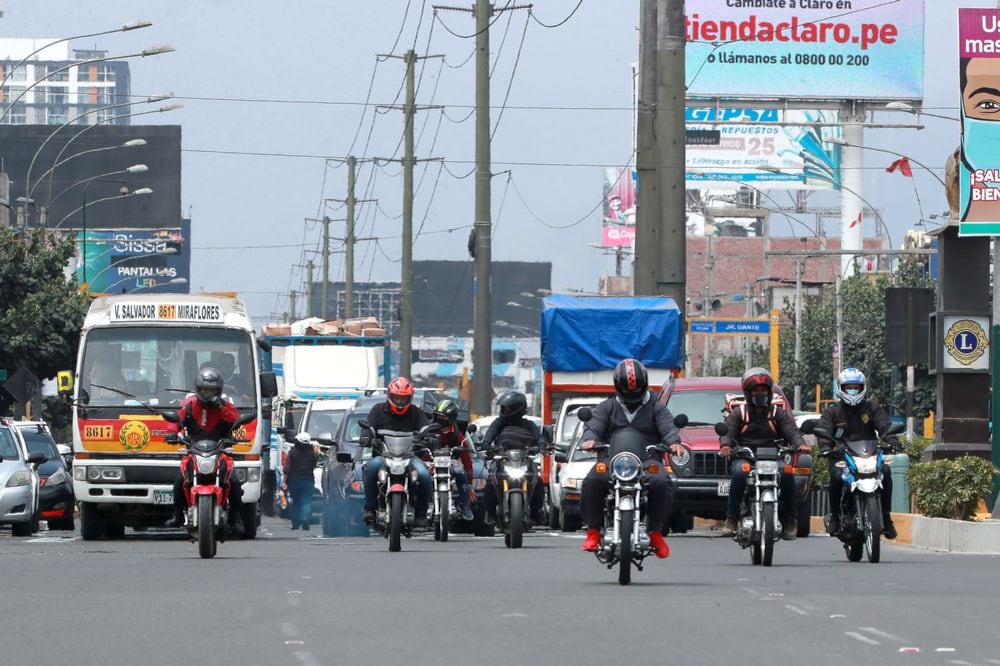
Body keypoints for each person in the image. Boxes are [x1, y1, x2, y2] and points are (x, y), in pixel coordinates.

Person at [578, 358, 684, 559]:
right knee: (593, 480)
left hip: (647, 460)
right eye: (626, 390)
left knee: (662, 481)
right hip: (612, 460)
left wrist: (674, 443)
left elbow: (668, 428)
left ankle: (655, 532)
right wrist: (590, 440)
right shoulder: (606, 407)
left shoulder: (656, 407)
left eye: (635, 390)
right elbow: (594, 426)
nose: (632, 394)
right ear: (618, 387)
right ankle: (593, 530)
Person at [718, 367, 809, 541]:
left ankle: (790, 520)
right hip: (746, 456)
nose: (760, 394)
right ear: (748, 393)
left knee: (788, 472)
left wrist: (801, 444)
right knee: (739, 472)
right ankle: (732, 518)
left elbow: (792, 431)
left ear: (769, 392)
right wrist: (726, 446)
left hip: (773, 457)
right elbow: (728, 433)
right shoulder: (740, 413)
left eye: (763, 390)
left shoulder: (778, 413)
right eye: (756, 391)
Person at [818, 368, 900, 540]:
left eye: (856, 386)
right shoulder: (832, 411)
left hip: (868, 453)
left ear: (863, 387)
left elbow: (885, 427)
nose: (852, 390)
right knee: (836, 474)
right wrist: (826, 447)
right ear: (841, 388)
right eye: (849, 387)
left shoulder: (872, 408)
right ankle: (834, 517)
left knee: (885, 471)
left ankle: (886, 517)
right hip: (842, 455)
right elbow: (824, 431)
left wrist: (892, 441)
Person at [165, 367, 244, 533]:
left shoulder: (225, 405)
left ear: (219, 390)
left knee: (235, 482)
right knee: (179, 480)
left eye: (212, 390)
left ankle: (235, 518)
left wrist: (220, 408)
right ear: (198, 389)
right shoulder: (189, 404)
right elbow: (176, 420)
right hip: (194, 451)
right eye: (204, 390)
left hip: (220, 451)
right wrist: (172, 434)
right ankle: (177, 513)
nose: (208, 394)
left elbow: (236, 419)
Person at [360, 376, 431, 527]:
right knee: (370, 468)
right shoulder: (378, 410)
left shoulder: (416, 412)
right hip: (384, 456)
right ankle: (370, 508)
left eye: (403, 399)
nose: (400, 402)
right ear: (389, 396)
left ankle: (421, 513)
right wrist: (366, 438)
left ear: (410, 398)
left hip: (409, 457)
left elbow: (426, 429)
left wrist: (430, 438)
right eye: (397, 398)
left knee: (425, 475)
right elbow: (368, 428)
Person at [480, 391, 547, 525]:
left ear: (518, 409)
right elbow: (489, 436)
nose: (504, 411)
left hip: (523, 461)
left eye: (508, 408)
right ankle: (491, 513)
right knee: (490, 482)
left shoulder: (529, 424)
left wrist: (542, 445)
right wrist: (486, 445)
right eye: (503, 408)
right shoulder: (499, 423)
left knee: (538, 482)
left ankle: (535, 512)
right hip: (503, 460)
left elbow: (539, 438)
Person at [427, 399, 476, 522]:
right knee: (421, 476)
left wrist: (469, 486)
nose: (440, 419)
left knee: (460, 471)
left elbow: (466, 458)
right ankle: (420, 506)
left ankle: (464, 505)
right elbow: (418, 450)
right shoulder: (427, 430)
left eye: (444, 417)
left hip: (448, 464)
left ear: (451, 418)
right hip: (429, 462)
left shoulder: (456, 434)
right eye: (438, 416)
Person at [283, 433, 319, 530]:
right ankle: (305, 518)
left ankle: (295, 523)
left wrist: (284, 482)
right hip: (308, 481)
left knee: (296, 502)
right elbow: (314, 464)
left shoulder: (292, 453)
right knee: (306, 501)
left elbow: (287, 468)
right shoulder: (312, 454)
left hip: (293, 481)